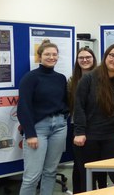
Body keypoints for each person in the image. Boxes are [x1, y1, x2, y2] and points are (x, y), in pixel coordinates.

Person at [73, 43, 114, 189]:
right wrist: (79, 132)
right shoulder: (89, 78)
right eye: (112, 55)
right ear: (106, 56)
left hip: (112, 136)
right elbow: (79, 105)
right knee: (88, 179)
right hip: (89, 136)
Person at [17, 39, 68, 195]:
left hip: (59, 127)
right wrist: (30, 133)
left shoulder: (61, 78)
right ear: (39, 56)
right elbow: (23, 107)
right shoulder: (30, 78)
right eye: (47, 54)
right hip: (38, 129)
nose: (51, 57)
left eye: (54, 54)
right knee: (32, 177)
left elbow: (64, 101)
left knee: (50, 172)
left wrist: (64, 117)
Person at [67, 47, 103, 193]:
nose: (85, 60)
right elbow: (71, 104)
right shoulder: (72, 80)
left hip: (96, 126)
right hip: (77, 126)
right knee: (79, 165)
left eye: (88, 57)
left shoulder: (101, 78)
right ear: (77, 61)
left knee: (97, 164)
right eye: (81, 58)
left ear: (93, 59)